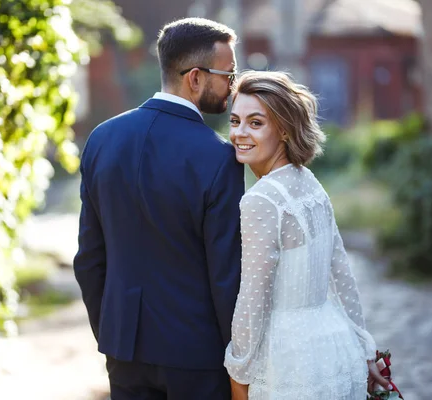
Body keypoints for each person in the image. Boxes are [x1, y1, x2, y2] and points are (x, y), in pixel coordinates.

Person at [73, 18, 244, 400]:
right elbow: (226, 276)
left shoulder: (102, 138)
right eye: (228, 74)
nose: (233, 86)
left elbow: (88, 259)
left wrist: (112, 333)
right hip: (196, 357)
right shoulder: (218, 158)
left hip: (123, 351)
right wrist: (239, 362)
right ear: (195, 78)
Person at [223, 71, 390, 399]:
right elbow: (342, 275)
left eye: (255, 123)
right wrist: (364, 348)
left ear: (284, 129)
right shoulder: (309, 183)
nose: (239, 133)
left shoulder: (261, 200)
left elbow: (252, 299)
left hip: (287, 362)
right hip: (334, 350)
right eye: (235, 121)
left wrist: (238, 372)